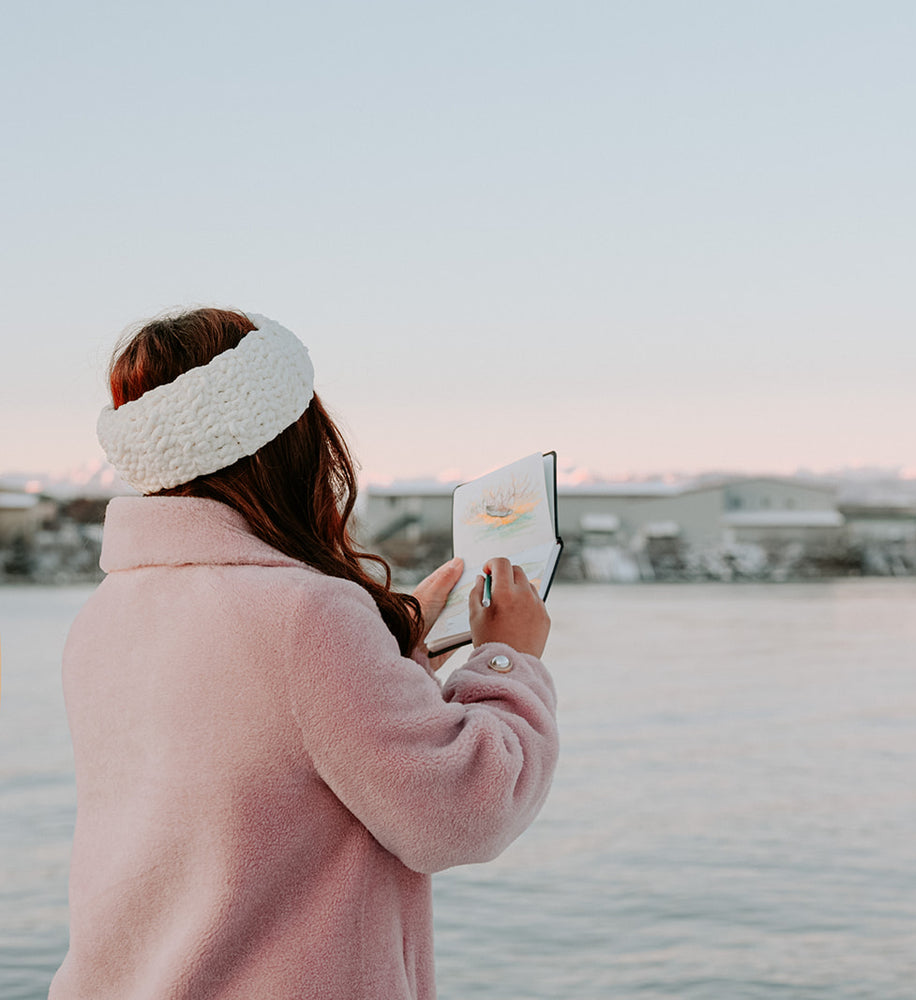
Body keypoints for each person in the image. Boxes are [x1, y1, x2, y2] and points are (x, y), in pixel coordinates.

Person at [52, 308, 559, 1000]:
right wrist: (506, 658)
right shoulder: (307, 615)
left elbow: (268, 755)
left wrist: (392, 649)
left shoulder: (106, 614)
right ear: (291, 440)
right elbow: (463, 814)